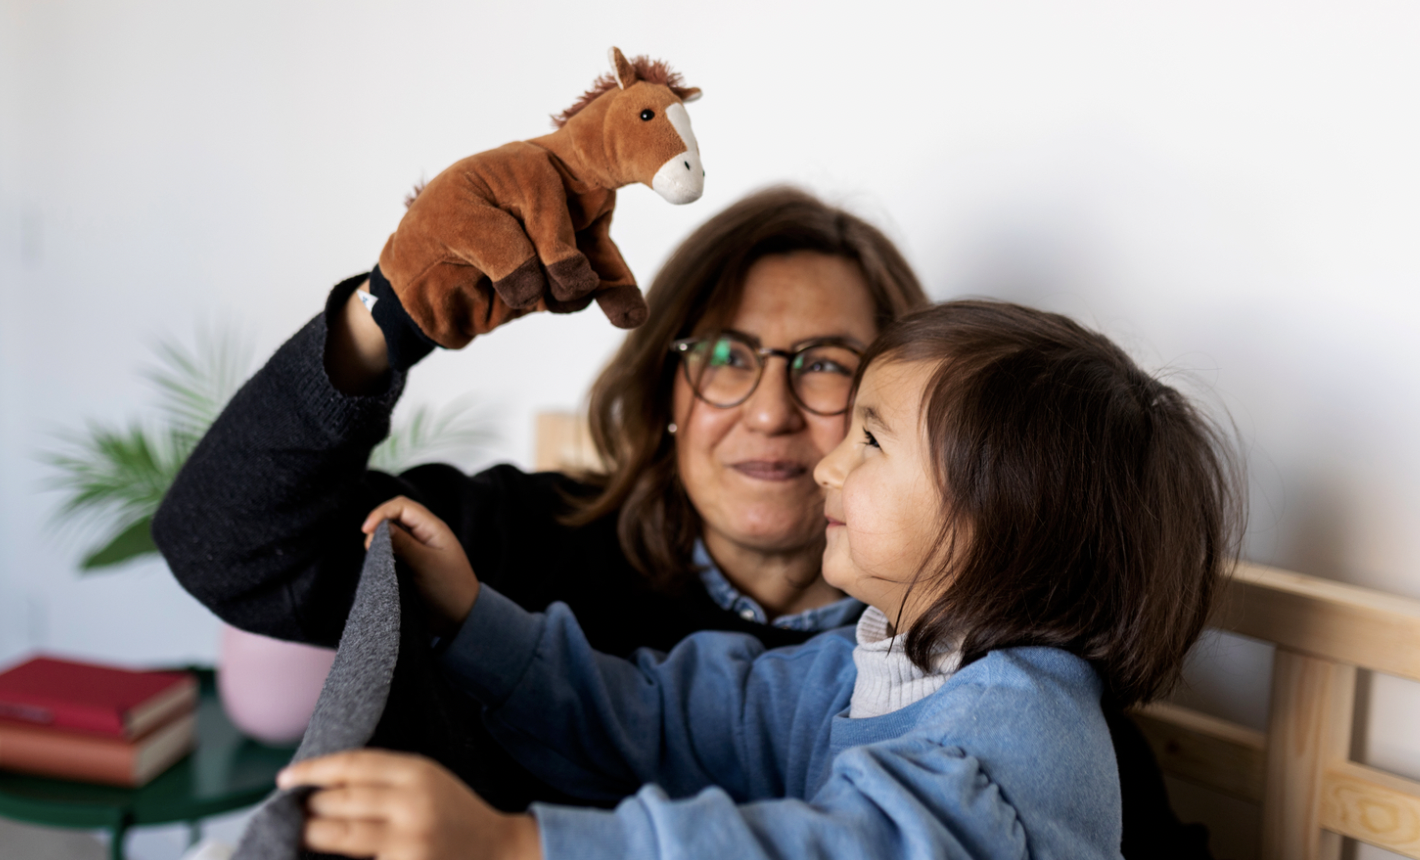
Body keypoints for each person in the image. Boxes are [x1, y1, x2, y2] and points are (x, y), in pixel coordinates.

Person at [278, 299, 1245, 860]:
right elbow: (668, 714)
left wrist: (518, 846)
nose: (827, 462)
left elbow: (817, 852)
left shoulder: (1018, 733)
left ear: (996, 523)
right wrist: (475, 620)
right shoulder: (867, 661)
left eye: (868, 440)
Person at [154, 187, 928, 810]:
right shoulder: (506, 545)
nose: (768, 411)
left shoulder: (955, 650)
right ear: (667, 388)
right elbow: (222, 539)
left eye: (826, 364)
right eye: (725, 356)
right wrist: (387, 317)